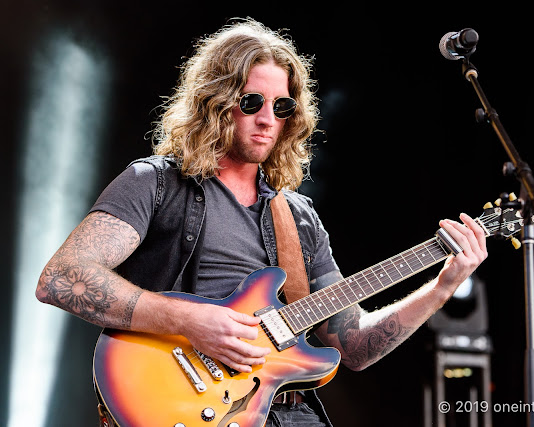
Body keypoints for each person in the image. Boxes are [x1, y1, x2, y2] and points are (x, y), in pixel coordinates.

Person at [36, 18, 487, 427]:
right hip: (184, 404)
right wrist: (190, 320)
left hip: (286, 412)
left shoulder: (299, 218)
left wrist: (443, 286)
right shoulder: (153, 182)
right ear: (215, 102)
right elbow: (61, 278)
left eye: (282, 106)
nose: (268, 119)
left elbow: (355, 347)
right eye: (252, 101)